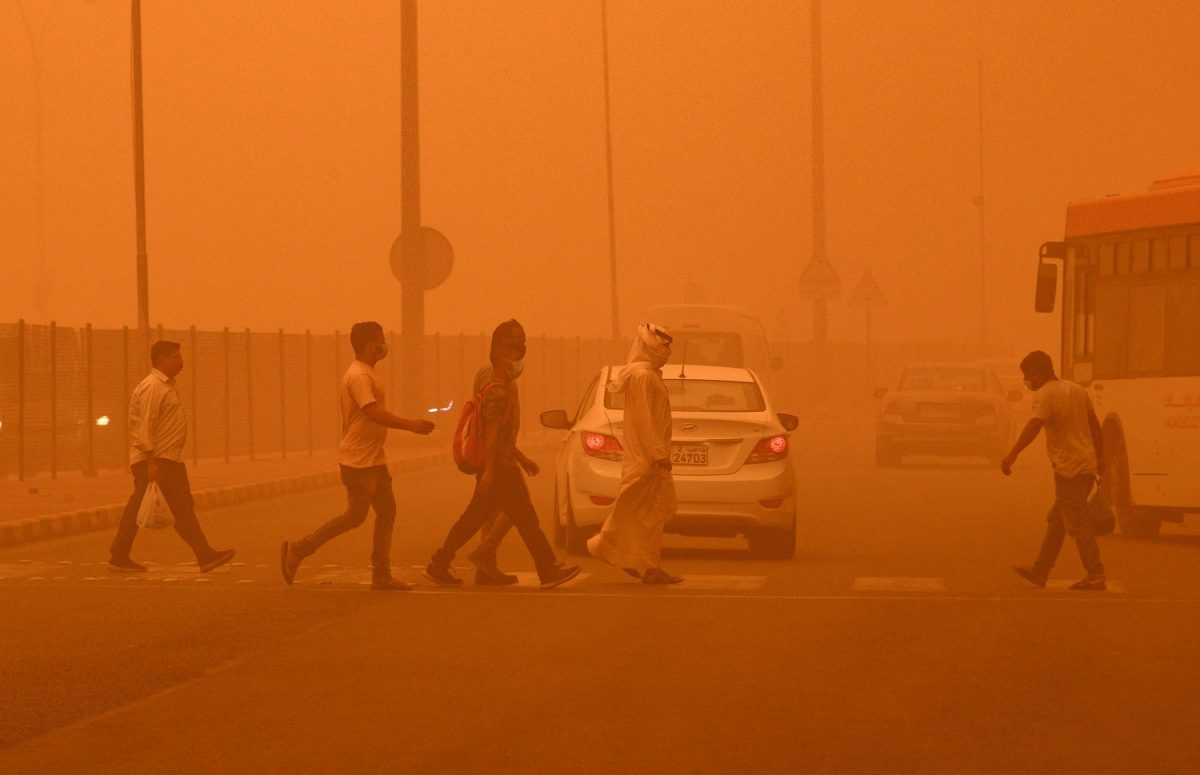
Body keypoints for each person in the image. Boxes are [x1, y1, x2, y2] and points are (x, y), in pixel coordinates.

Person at [424, 319, 581, 589]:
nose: (519, 353)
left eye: (522, 346)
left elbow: (498, 435)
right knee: (526, 520)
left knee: (475, 519)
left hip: (500, 465)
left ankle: (440, 563)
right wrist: (491, 471)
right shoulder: (498, 390)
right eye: (512, 347)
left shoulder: (499, 386)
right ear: (497, 352)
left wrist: (521, 458)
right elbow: (493, 434)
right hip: (499, 468)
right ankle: (547, 569)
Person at [280, 322, 434, 591]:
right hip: (358, 460)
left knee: (387, 512)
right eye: (380, 340)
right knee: (355, 516)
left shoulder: (368, 373)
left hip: (373, 458)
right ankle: (298, 550)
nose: (384, 344)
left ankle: (381, 574)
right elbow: (372, 412)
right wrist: (411, 425)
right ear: (368, 345)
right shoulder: (360, 376)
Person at [108, 340, 236, 573]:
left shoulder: (165, 386)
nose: (181, 362)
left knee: (153, 507)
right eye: (176, 357)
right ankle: (204, 555)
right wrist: (150, 462)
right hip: (157, 459)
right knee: (179, 508)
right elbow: (145, 426)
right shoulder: (153, 387)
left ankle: (119, 554)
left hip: (167, 459)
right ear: (162, 360)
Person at [1001, 350, 1107, 591]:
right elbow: (1095, 425)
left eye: (1027, 376)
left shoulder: (1045, 395)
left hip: (1068, 468)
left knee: (1077, 522)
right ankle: (1040, 570)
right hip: (1085, 464)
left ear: (1037, 374)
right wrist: (1100, 457)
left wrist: (1013, 453)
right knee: (1057, 520)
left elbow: (1034, 425)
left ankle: (1095, 572)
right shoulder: (1077, 390)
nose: (1027, 382)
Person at [587, 323, 683, 584]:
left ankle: (644, 564)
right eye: (663, 345)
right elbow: (644, 419)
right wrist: (657, 453)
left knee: (652, 512)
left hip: (650, 457)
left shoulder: (648, 375)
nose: (667, 351)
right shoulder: (642, 376)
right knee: (635, 510)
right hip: (646, 459)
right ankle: (605, 546)